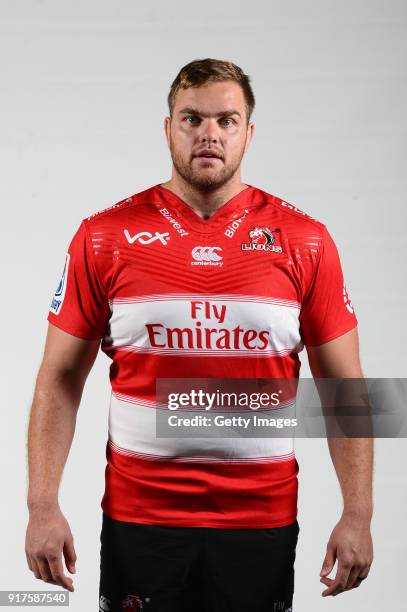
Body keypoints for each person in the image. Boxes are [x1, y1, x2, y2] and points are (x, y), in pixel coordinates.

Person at [25, 58, 374, 611]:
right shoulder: (104, 237)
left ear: (248, 134)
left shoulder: (305, 241)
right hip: (139, 518)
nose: (209, 133)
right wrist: (42, 505)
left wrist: (358, 514)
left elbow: (347, 389)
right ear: (168, 129)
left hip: (262, 519)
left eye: (226, 121)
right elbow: (59, 376)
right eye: (192, 118)